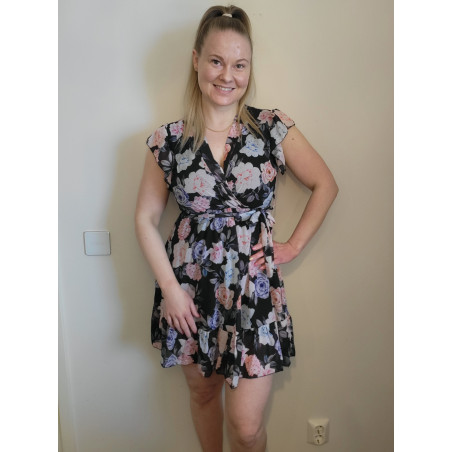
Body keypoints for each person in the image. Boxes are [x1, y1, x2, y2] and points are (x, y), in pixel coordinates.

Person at [135, 4, 338, 451]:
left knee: (246, 428)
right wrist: (170, 289)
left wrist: (293, 245)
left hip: (253, 293)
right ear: (196, 60)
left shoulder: (271, 129)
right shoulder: (168, 141)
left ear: (249, 68)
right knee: (203, 395)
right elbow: (145, 218)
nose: (227, 75)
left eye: (239, 64)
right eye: (216, 60)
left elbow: (325, 184)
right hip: (189, 291)